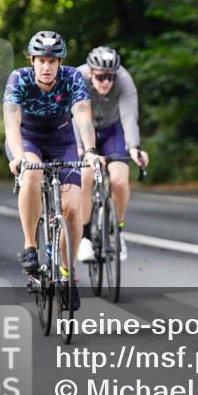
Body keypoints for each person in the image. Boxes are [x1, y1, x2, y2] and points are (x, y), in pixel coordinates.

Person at [2, 31, 101, 310]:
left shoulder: (72, 78)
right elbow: (12, 123)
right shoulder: (18, 79)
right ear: (32, 60)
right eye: (42, 60)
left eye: (53, 61)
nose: (47, 67)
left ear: (60, 63)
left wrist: (91, 152)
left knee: (71, 211)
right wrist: (19, 157)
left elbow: (82, 114)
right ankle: (30, 246)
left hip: (62, 141)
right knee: (31, 174)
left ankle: (67, 274)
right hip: (28, 139)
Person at [76, 46, 149, 263]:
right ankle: (86, 237)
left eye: (110, 76)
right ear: (91, 73)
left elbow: (128, 117)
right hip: (83, 130)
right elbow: (74, 114)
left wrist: (134, 147)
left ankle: (117, 231)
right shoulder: (78, 78)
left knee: (119, 181)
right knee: (85, 176)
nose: (106, 81)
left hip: (111, 130)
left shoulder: (124, 81)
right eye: (100, 76)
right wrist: (80, 148)